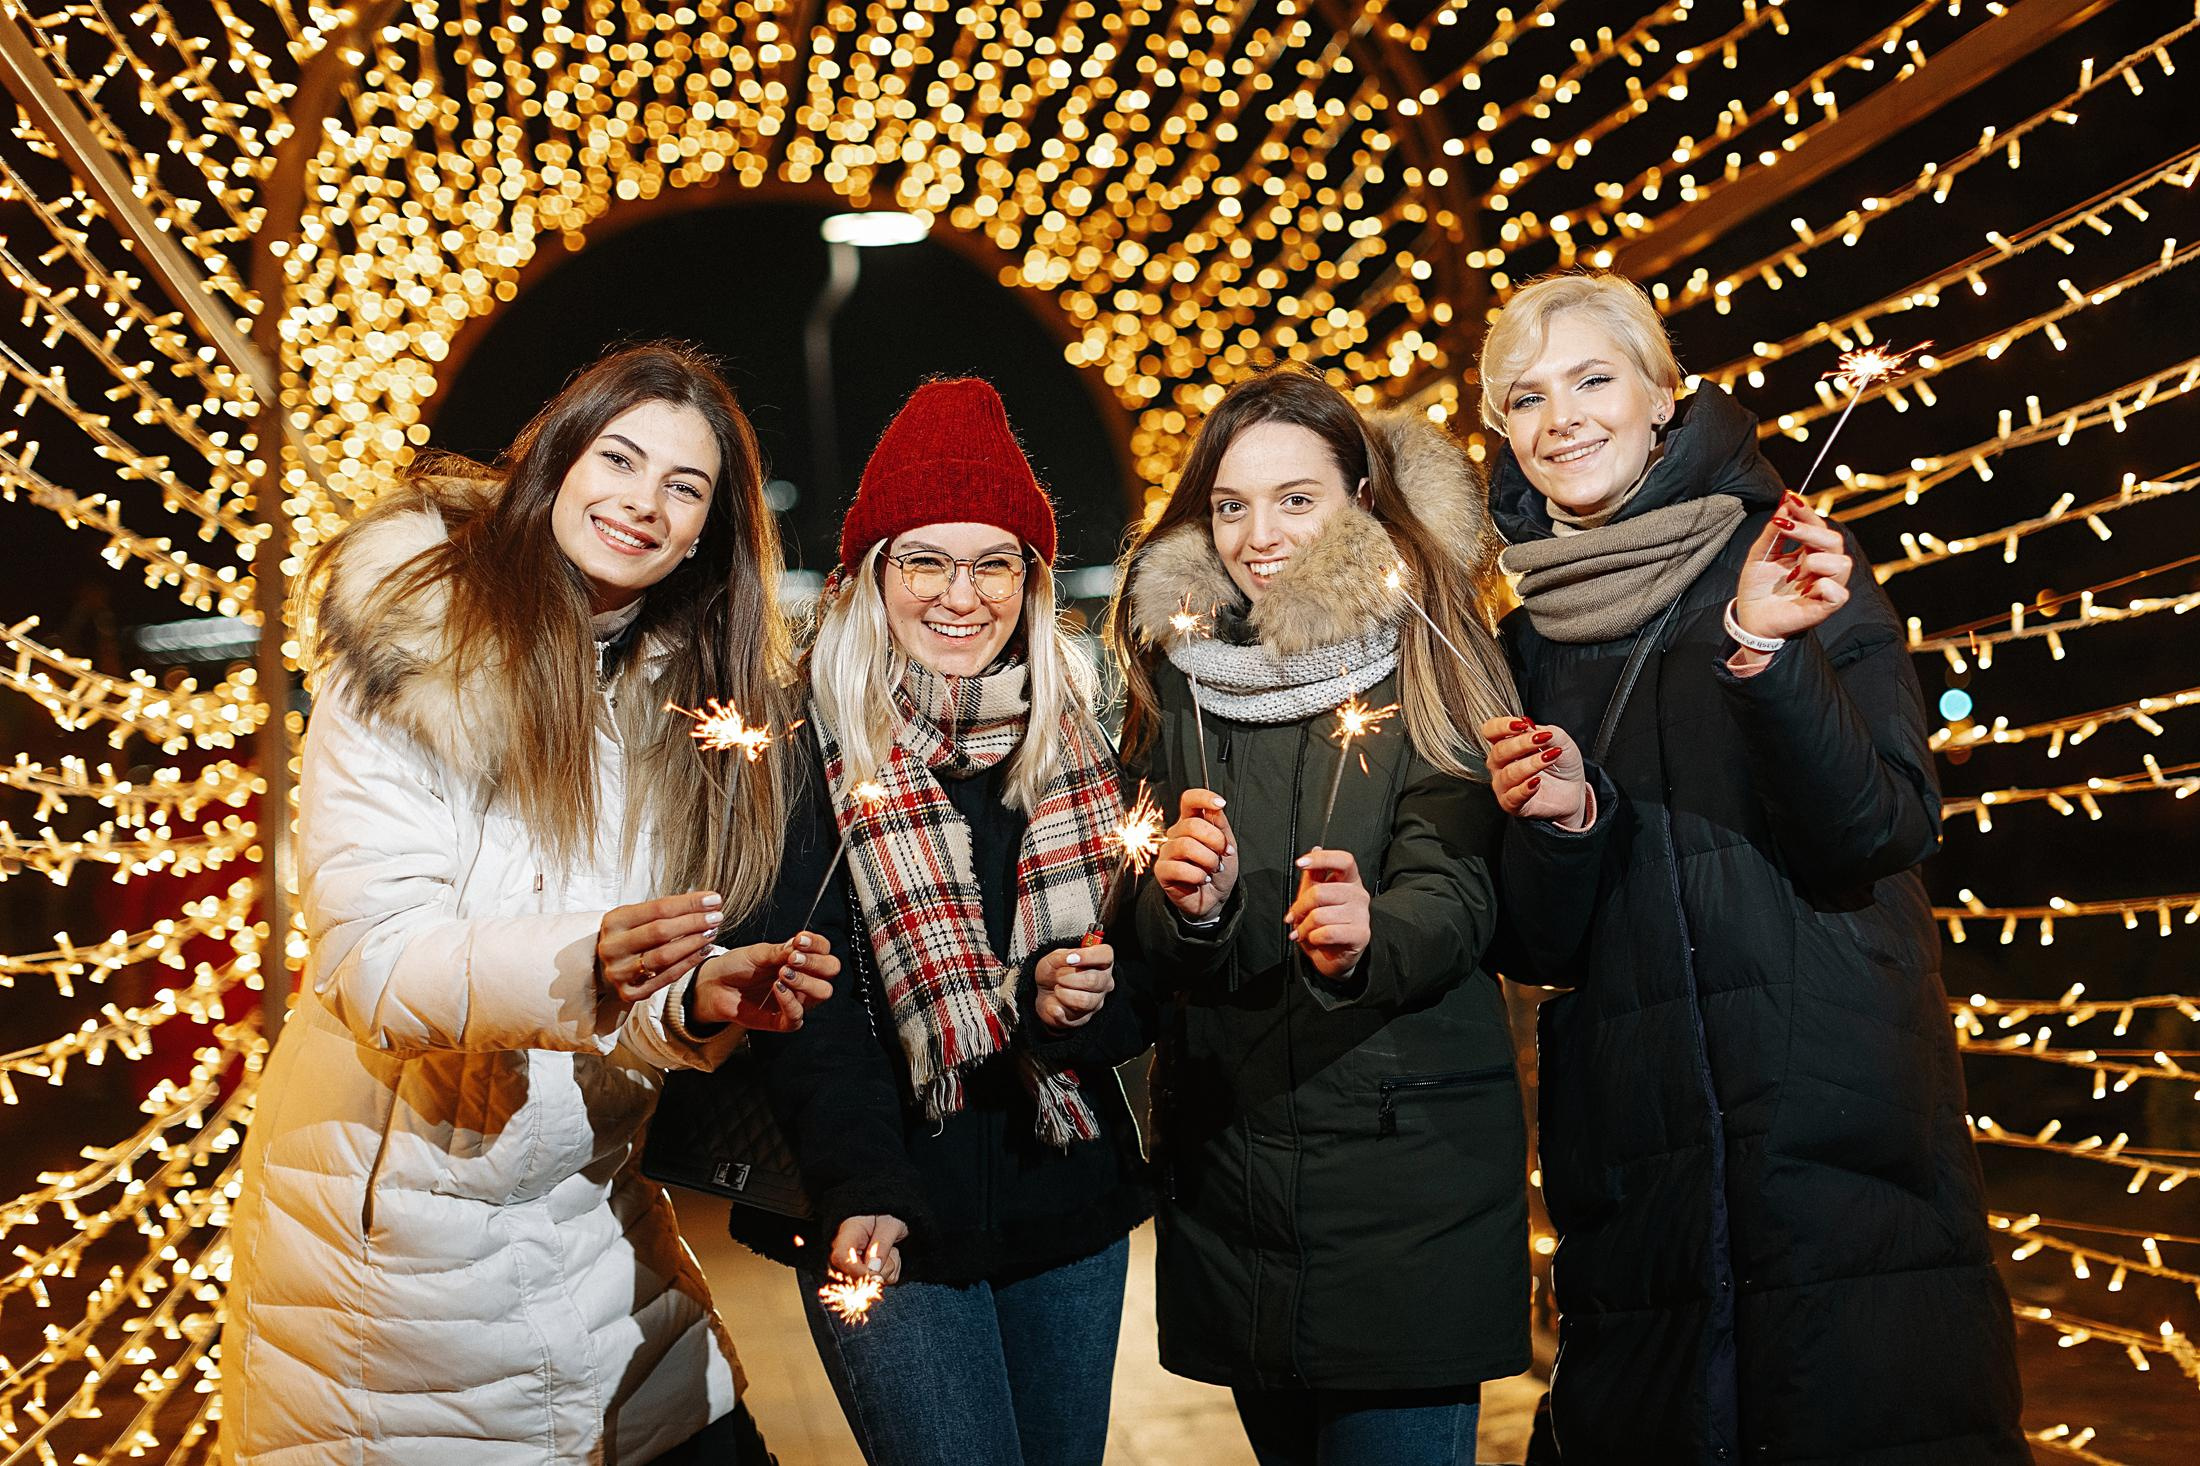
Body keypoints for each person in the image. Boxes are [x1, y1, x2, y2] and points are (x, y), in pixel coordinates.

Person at [222, 343, 839, 1465]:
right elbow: (372, 962)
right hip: (396, 1263)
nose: (642, 503)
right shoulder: (422, 649)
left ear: (708, 529)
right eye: (619, 457)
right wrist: (591, 960)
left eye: (683, 487)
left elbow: (624, 988)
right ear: (557, 460)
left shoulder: (679, 704)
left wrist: (698, 999)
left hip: (599, 1230)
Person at [1476, 272, 2029, 1465]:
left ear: (1663, 398)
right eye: (1524, 396)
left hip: (1831, 1097)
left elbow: (1879, 825)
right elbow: (1537, 943)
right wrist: (1560, 824)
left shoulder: (1787, 552)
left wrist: (1764, 652)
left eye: (1591, 377)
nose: (1560, 415)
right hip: (1636, 1136)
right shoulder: (1517, 638)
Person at [720, 378, 1153, 1466]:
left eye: (993, 561)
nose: (962, 595)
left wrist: (1073, 1008)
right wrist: (861, 1184)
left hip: (1066, 1207)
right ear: (876, 574)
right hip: (886, 1211)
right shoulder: (802, 748)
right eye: (926, 559)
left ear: (1031, 578)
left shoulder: (1081, 743)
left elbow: (1145, 984)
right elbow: (803, 1013)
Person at [1102, 364, 1529, 1466]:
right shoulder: (1176, 678)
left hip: (1401, 1177)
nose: (1257, 533)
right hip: (1232, 1180)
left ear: (1359, 500)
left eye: (1296, 498)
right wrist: (1186, 907)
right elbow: (1142, 921)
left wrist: (1368, 931)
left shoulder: (1431, 655)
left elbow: (1460, 883)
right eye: (1231, 503)